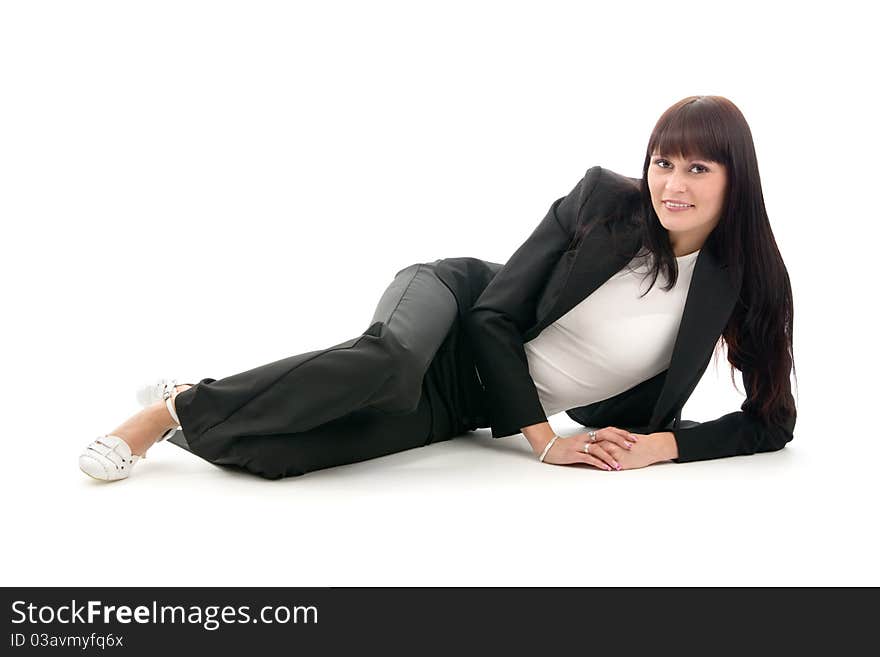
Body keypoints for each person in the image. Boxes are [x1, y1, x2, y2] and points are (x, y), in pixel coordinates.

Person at [78, 94, 797, 482]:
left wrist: (660, 447)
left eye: (698, 170)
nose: (672, 184)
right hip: (455, 306)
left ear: (737, 177)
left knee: (281, 457)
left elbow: (774, 420)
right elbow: (492, 315)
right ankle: (161, 414)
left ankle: (192, 407)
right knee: (386, 365)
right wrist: (544, 442)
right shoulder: (601, 201)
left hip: (471, 399)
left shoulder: (749, 284)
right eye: (664, 163)